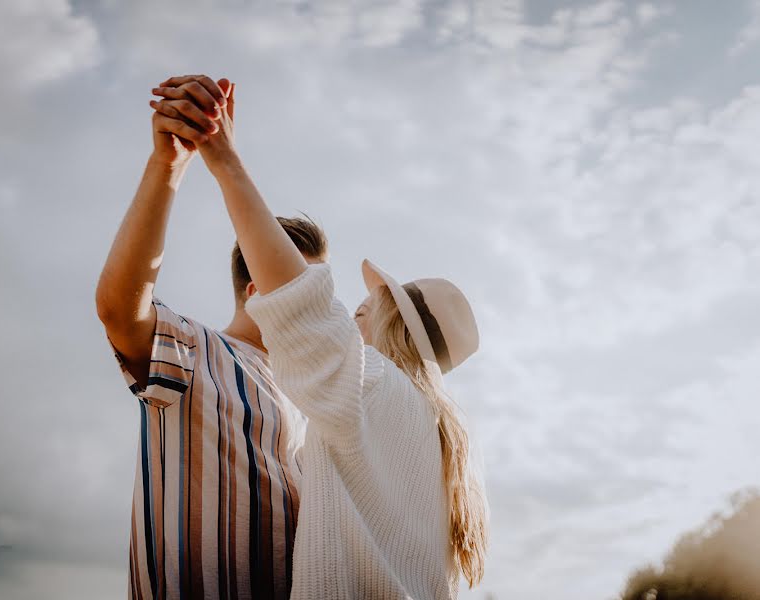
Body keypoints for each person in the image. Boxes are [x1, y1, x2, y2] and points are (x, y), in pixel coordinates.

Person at [153, 75, 489, 598]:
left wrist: (224, 159)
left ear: (392, 325)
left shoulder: (372, 385)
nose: (350, 316)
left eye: (361, 309)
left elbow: (300, 304)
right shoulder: (434, 437)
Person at [95, 74, 329, 599]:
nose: (320, 306)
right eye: (304, 286)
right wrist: (168, 167)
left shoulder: (311, 394)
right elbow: (118, 311)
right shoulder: (197, 351)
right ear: (256, 289)